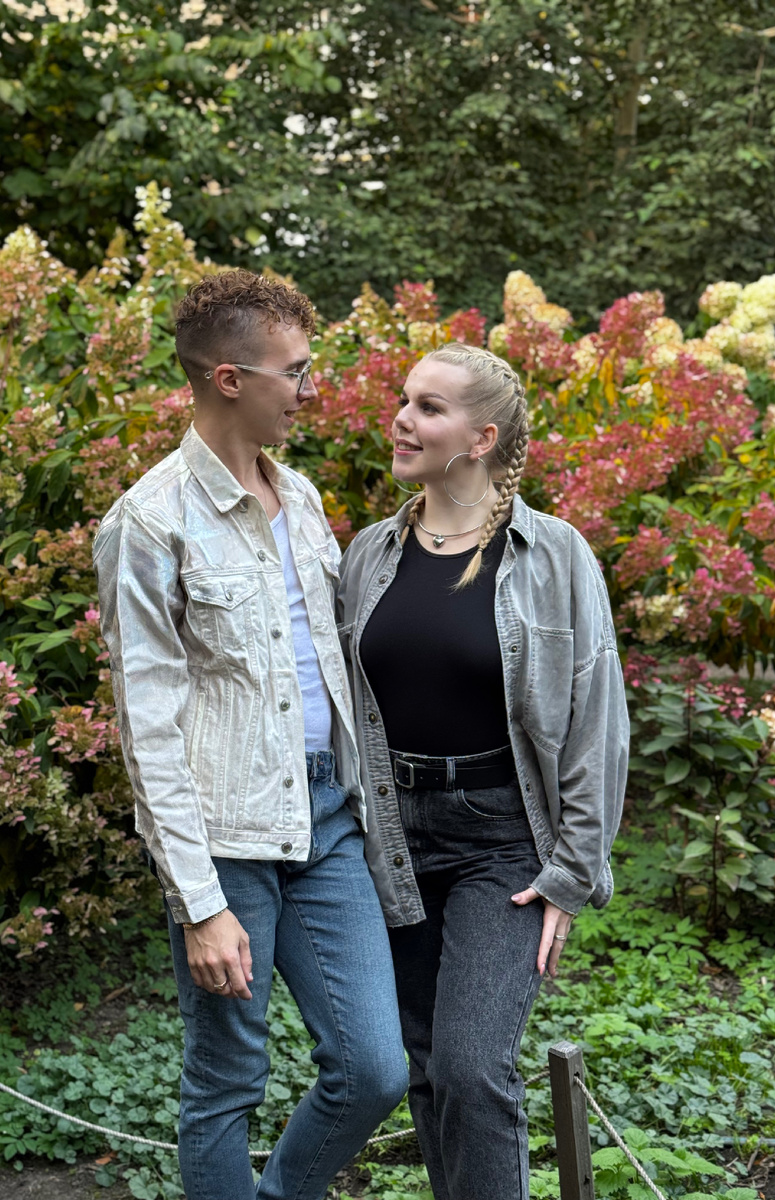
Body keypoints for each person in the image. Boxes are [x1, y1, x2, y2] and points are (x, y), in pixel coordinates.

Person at [93, 269, 407, 1200]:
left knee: (375, 1067)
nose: (310, 389)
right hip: (225, 836)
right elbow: (148, 729)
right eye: (295, 371)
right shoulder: (149, 522)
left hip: (327, 818)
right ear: (229, 379)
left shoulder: (299, 498)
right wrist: (199, 903)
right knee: (227, 1079)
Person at [336, 342, 629, 1200]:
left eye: (429, 407)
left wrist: (572, 874)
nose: (402, 418)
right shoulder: (368, 553)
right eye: (404, 399)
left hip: (503, 840)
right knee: (427, 1068)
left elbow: (596, 721)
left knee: (471, 1067)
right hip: (390, 836)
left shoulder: (554, 554)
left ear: (481, 437)